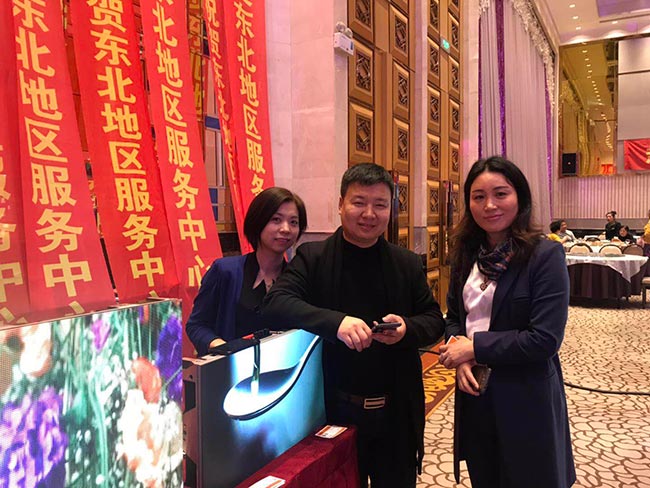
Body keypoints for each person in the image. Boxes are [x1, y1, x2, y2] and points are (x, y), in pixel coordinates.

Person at [263, 163, 445, 487]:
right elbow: (277, 302)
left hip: (396, 413)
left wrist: (406, 329)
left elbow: (433, 320)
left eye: (380, 204)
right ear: (340, 204)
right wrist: (336, 323)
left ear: (391, 209)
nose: (369, 214)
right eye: (359, 202)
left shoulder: (406, 262)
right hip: (333, 411)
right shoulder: (313, 257)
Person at [438, 156, 575, 488]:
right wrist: (461, 356)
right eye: (479, 196)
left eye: (500, 194)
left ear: (520, 197)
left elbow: (544, 339)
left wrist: (475, 348)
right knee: (485, 476)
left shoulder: (544, 256)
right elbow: (455, 317)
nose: (489, 205)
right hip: (476, 391)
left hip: (526, 395)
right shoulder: (466, 253)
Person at [185, 187, 307, 356]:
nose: (286, 229)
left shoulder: (298, 277)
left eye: (293, 222)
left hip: (283, 370)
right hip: (231, 368)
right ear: (258, 222)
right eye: (276, 220)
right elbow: (196, 325)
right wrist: (224, 348)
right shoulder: (224, 271)